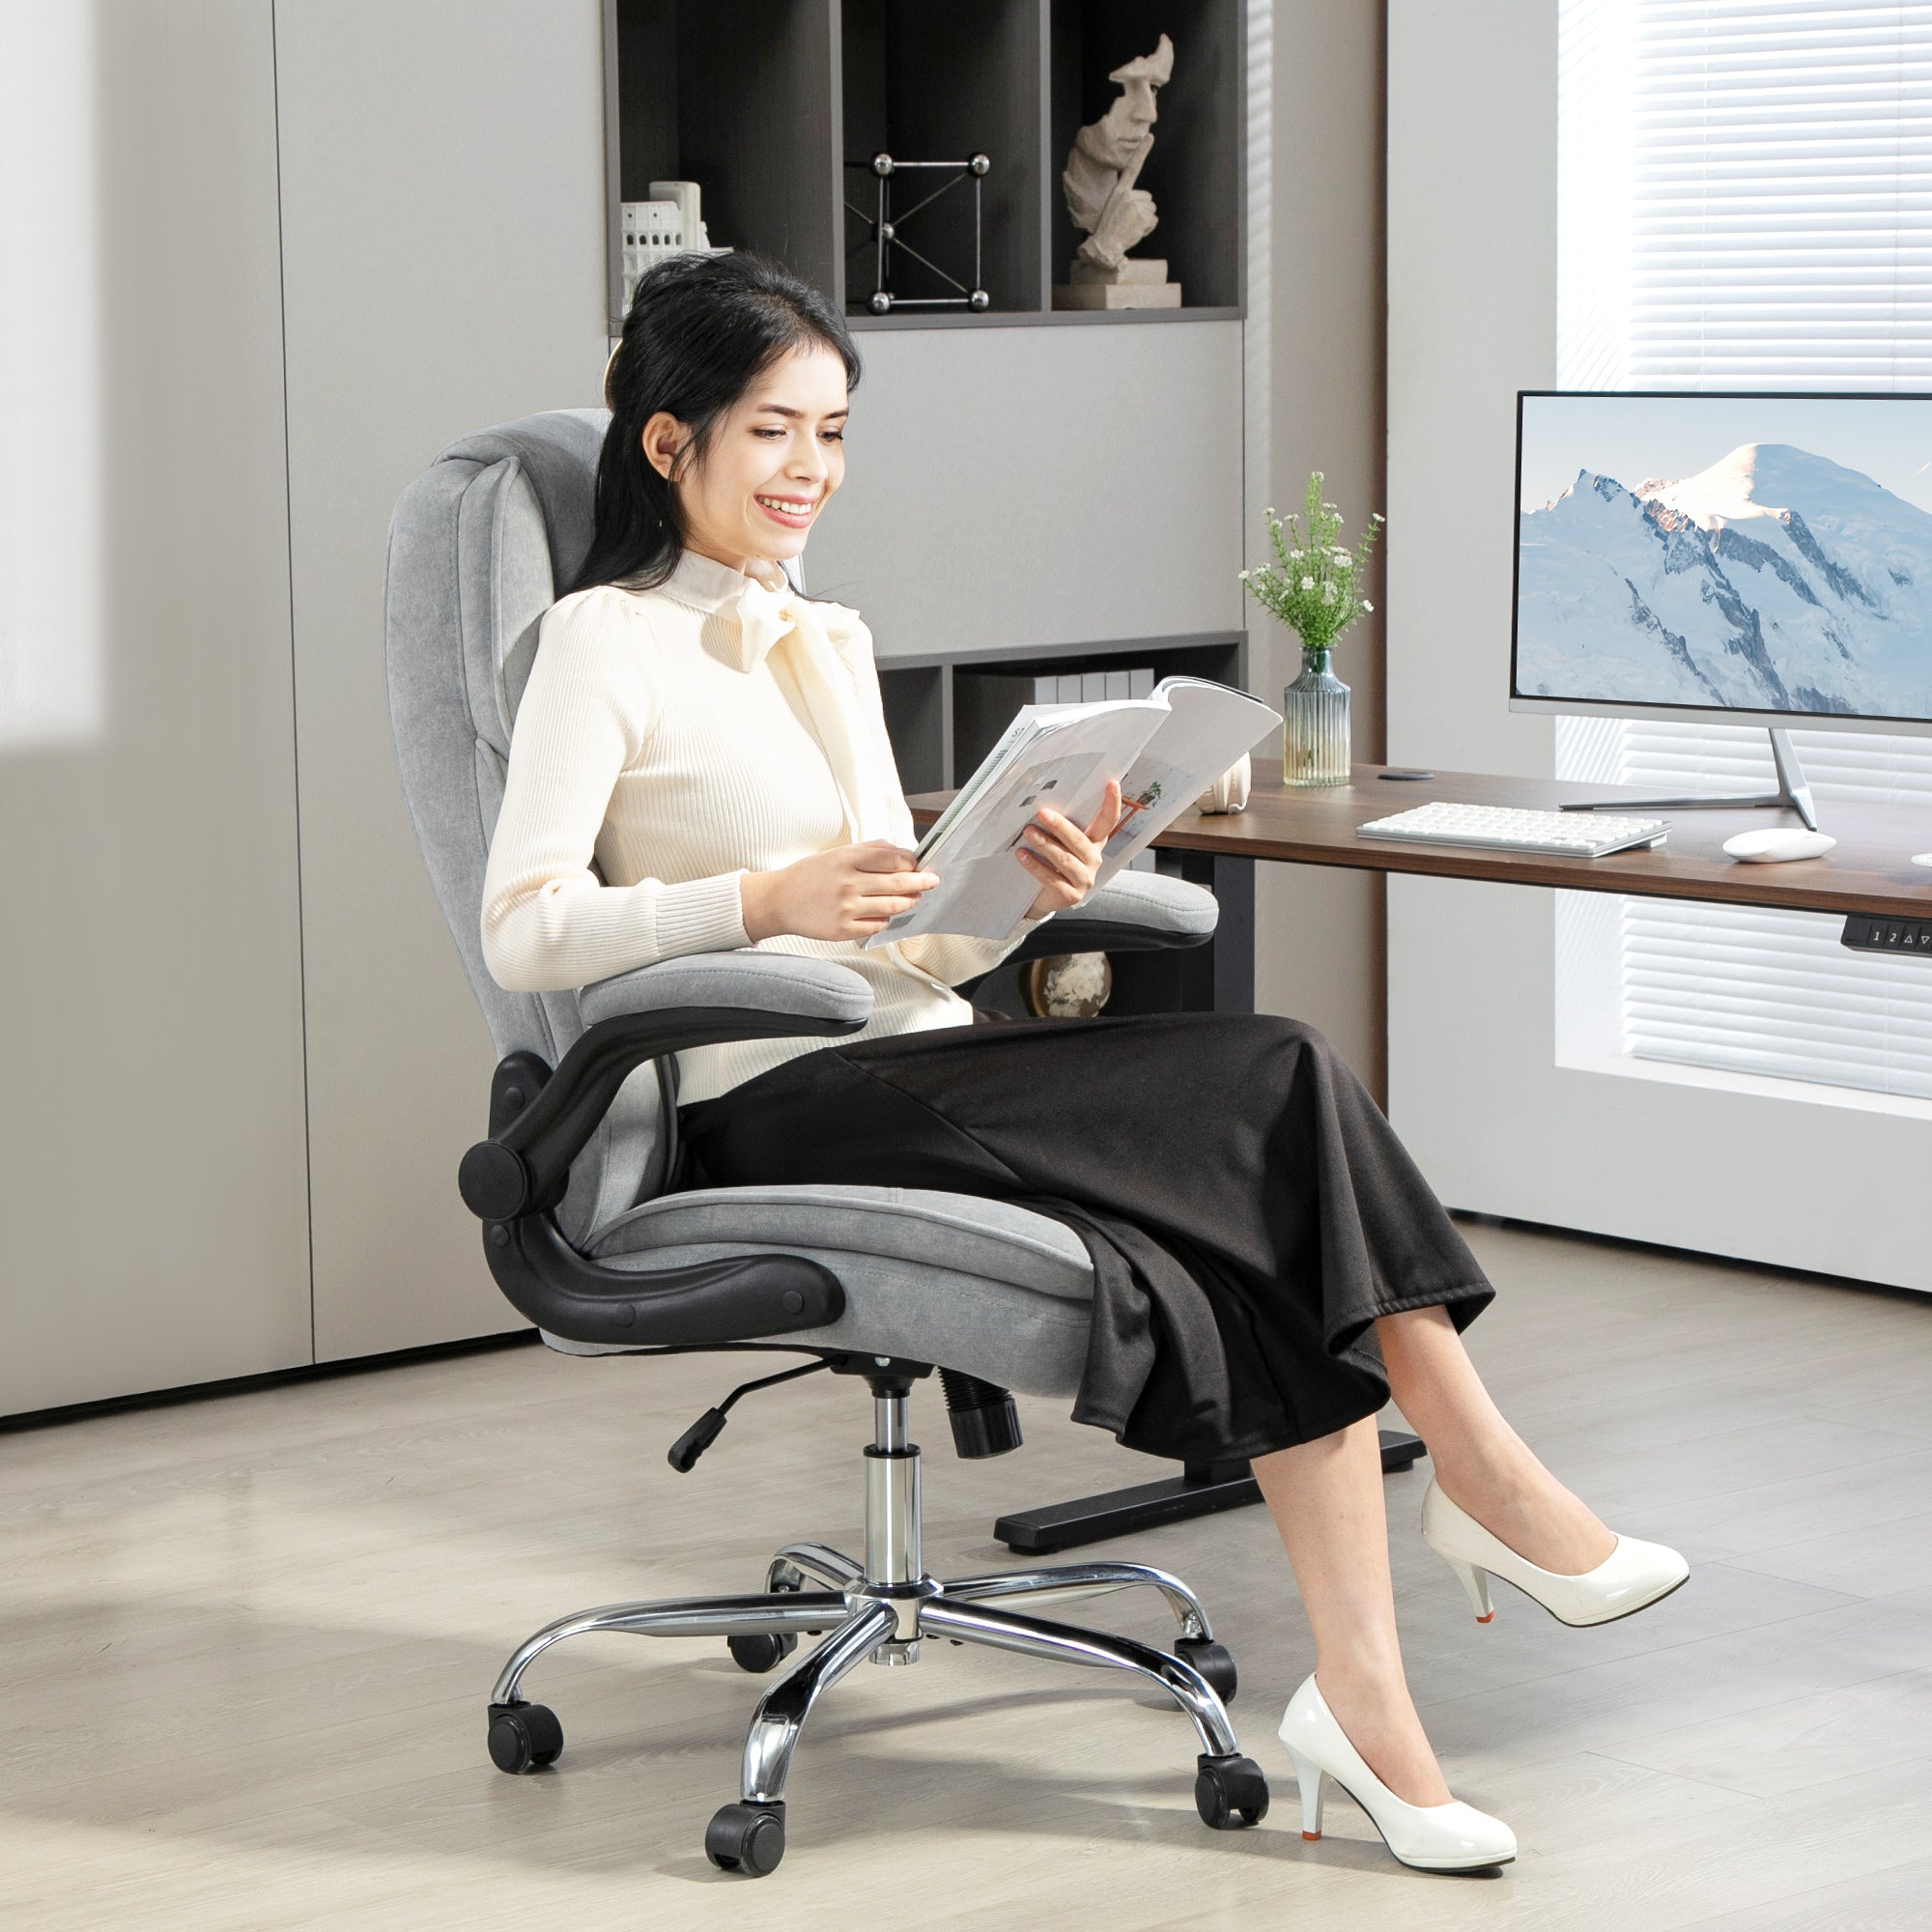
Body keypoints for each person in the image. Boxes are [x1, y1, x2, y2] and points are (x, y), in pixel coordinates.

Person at [480, 251, 1688, 1874]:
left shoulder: (825, 638)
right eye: (773, 430)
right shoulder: (597, 642)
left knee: (1258, 1251)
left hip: (897, 1063)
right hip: (750, 1104)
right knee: (1276, 1072)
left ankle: (1369, 1710)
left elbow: (907, 957)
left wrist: (1009, 891)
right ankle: (1486, 1477)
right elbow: (526, 930)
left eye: (834, 434)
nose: (810, 472)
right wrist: (755, 900)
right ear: (667, 441)